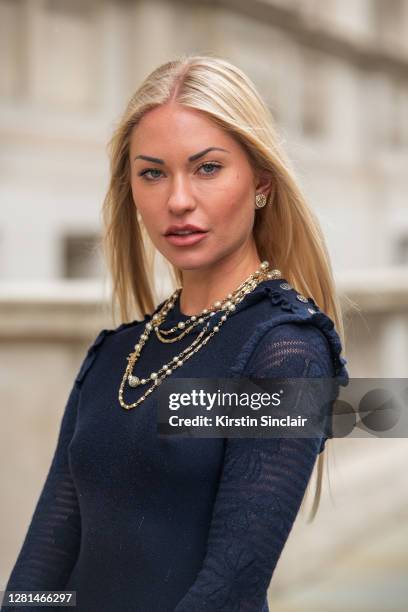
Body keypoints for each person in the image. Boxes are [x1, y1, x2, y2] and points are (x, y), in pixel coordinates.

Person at [2, 54, 349, 612]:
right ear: (132, 189)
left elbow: (229, 590)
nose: (178, 200)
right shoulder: (113, 354)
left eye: (207, 168)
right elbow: (43, 563)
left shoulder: (286, 352)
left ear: (260, 182)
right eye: (153, 172)